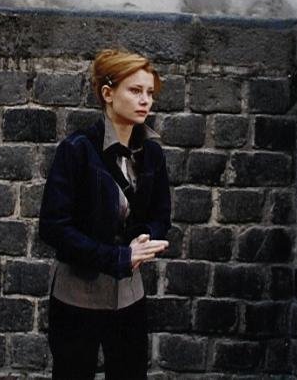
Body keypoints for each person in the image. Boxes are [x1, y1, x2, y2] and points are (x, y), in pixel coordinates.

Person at [38, 48, 171, 380]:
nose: (146, 100)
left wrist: (145, 240)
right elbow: (54, 227)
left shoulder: (152, 153)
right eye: (135, 90)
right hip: (77, 295)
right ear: (108, 94)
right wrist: (118, 257)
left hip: (129, 295)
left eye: (150, 93)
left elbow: (161, 215)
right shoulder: (77, 150)